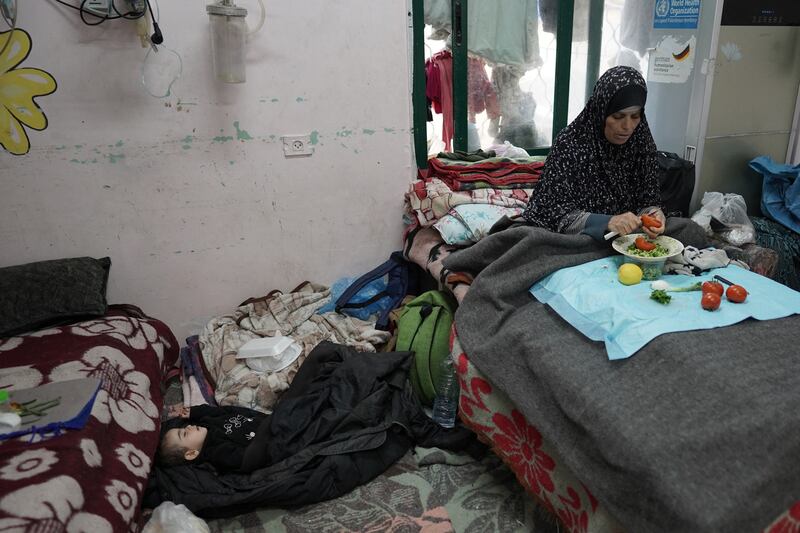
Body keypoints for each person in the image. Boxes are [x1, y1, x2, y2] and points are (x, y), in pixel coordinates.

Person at [522, 65, 666, 240]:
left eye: (635, 116)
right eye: (618, 117)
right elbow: (549, 212)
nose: (628, 127)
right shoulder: (570, 144)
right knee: (530, 242)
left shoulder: (641, 141)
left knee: (687, 228)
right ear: (601, 112)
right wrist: (606, 222)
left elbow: (648, 199)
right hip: (582, 236)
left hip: (630, 236)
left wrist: (654, 214)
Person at [157, 404, 267, 472]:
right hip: (272, 433)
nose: (189, 426)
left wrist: (196, 412)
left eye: (184, 427)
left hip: (264, 418)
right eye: (185, 434)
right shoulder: (217, 453)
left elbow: (221, 411)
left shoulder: (205, 423)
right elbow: (250, 457)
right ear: (191, 454)